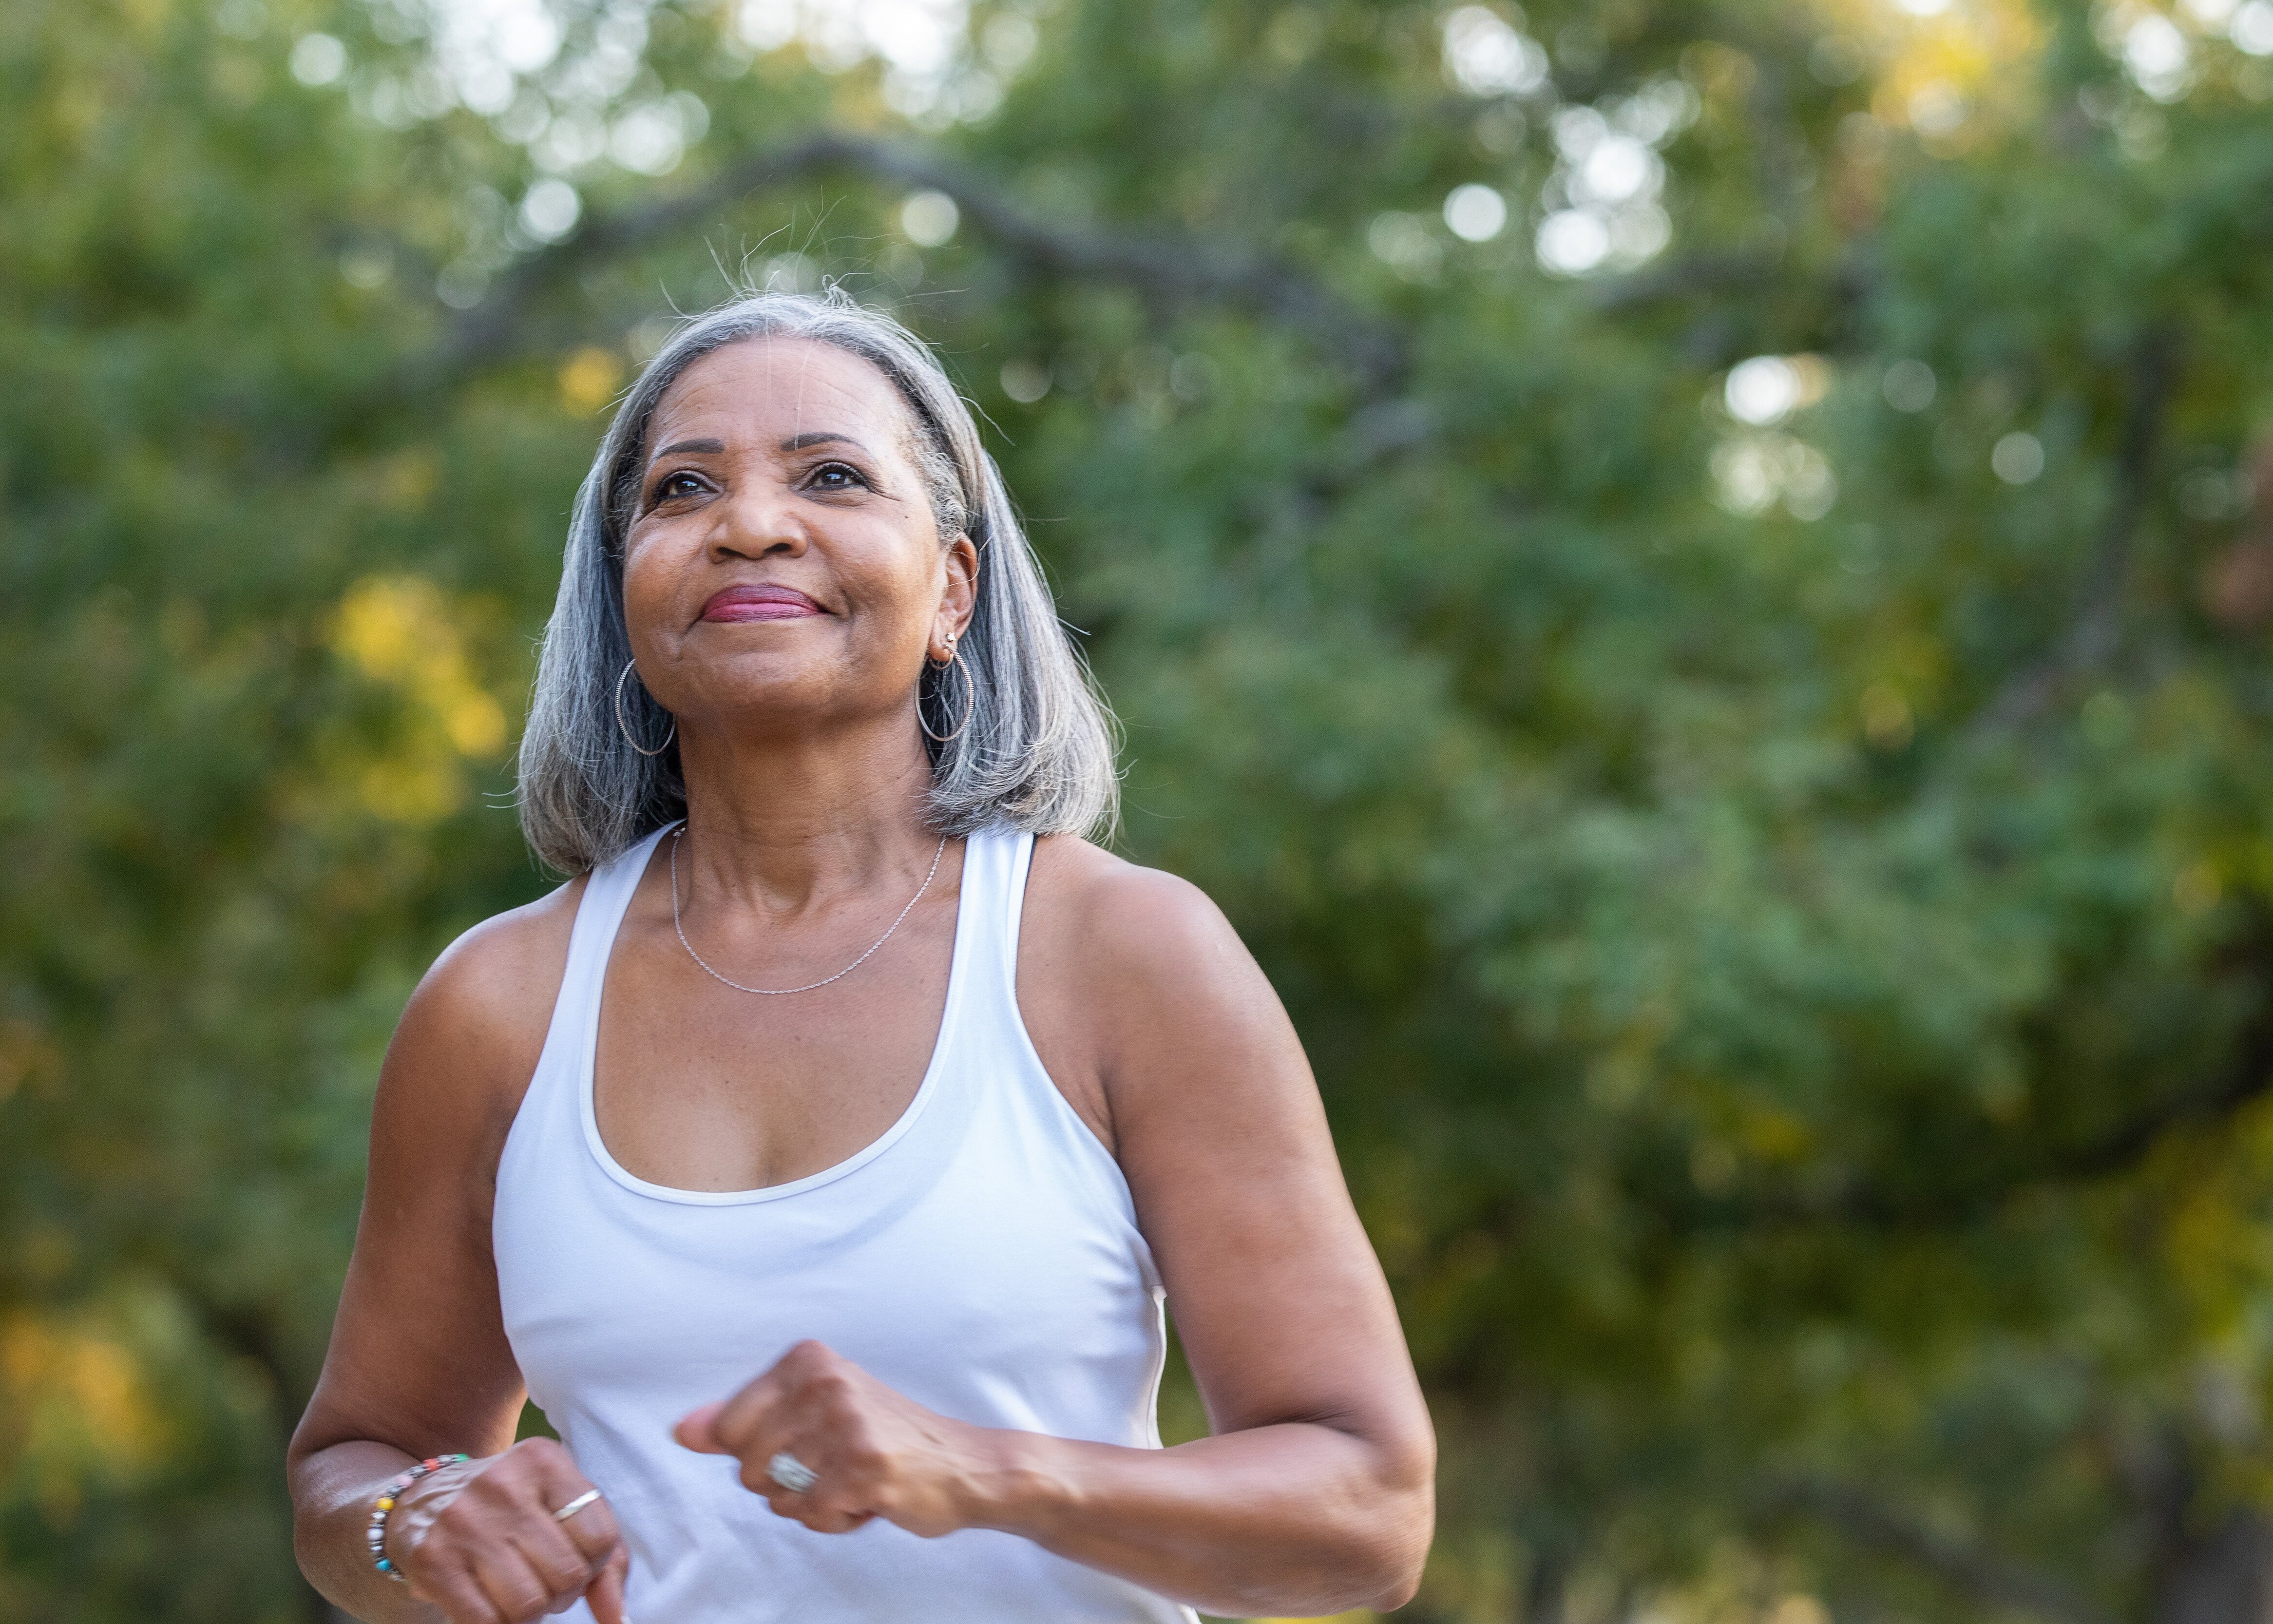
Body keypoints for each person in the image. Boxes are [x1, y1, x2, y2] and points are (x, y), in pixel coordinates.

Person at [287, 288, 1435, 1624]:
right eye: (682, 490)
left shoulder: (1118, 954)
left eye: (831, 475)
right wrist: (411, 1521)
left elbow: (1367, 1515)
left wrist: (986, 1470)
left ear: (952, 587)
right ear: (624, 594)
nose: (753, 522)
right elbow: (348, 1466)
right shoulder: (498, 1005)